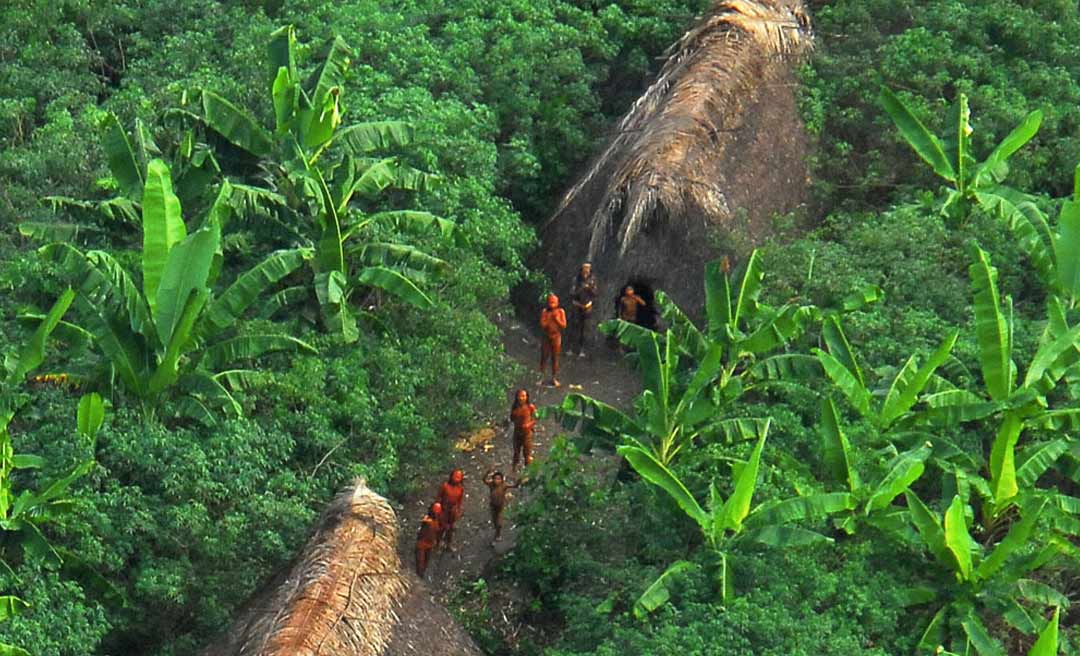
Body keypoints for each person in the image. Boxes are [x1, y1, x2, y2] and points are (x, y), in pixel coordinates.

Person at [483, 469, 519, 544]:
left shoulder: (504, 486)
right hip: (493, 506)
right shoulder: (491, 485)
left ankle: (497, 534)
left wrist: (519, 481)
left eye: (499, 479)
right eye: (495, 478)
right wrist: (487, 473)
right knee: (495, 521)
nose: (497, 480)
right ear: (493, 479)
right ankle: (497, 532)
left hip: (500, 507)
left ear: (502, 480)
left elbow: (515, 486)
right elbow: (484, 480)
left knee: (499, 523)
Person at [570, 263, 598, 358]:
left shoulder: (592, 280)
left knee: (584, 328)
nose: (586, 271)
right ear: (581, 270)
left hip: (587, 306)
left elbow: (595, 294)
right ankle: (571, 348)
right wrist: (582, 288)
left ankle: (582, 350)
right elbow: (572, 293)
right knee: (574, 326)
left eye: (588, 269)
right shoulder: (576, 280)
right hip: (577, 305)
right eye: (584, 269)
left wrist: (589, 288)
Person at [539, 294, 567, 387]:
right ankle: (541, 377)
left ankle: (554, 378)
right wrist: (549, 319)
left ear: (558, 303)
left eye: (554, 302)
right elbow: (542, 325)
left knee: (555, 358)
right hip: (546, 337)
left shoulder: (560, 311)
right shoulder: (545, 311)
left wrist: (557, 318)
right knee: (544, 357)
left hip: (556, 336)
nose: (552, 304)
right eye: (550, 302)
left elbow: (563, 325)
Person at [436, 469, 465, 551]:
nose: (456, 478)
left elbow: (460, 501)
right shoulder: (445, 486)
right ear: (451, 476)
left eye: (459, 477)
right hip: (443, 509)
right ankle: (437, 545)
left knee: (451, 529)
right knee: (442, 528)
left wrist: (458, 510)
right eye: (455, 476)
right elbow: (438, 498)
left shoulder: (460, 489)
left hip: (452, 511)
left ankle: (448, 545)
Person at [510, 388, 538, 472]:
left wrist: (529, 425)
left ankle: (527, 472)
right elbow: (511, 418)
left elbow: (536, 417)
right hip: (517, 433)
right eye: (519, 396)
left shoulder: (530, 407)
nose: (521, 398)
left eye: (523, 396)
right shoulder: (515, 407)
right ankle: (513, 470)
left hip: (527, 434)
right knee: (516, 453)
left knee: (527, 454)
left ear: (527, 397)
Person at [415, 502, 443, 578]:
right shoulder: (427, 520)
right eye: (436, 511)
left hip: (429, 544)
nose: (437, 513)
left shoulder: (436, 521)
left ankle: (421, 575)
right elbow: (424, 526)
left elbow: (437, 532)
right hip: (422, 543)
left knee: (425, 562)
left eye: (438, 511)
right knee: (420, 561)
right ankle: (418, 575)